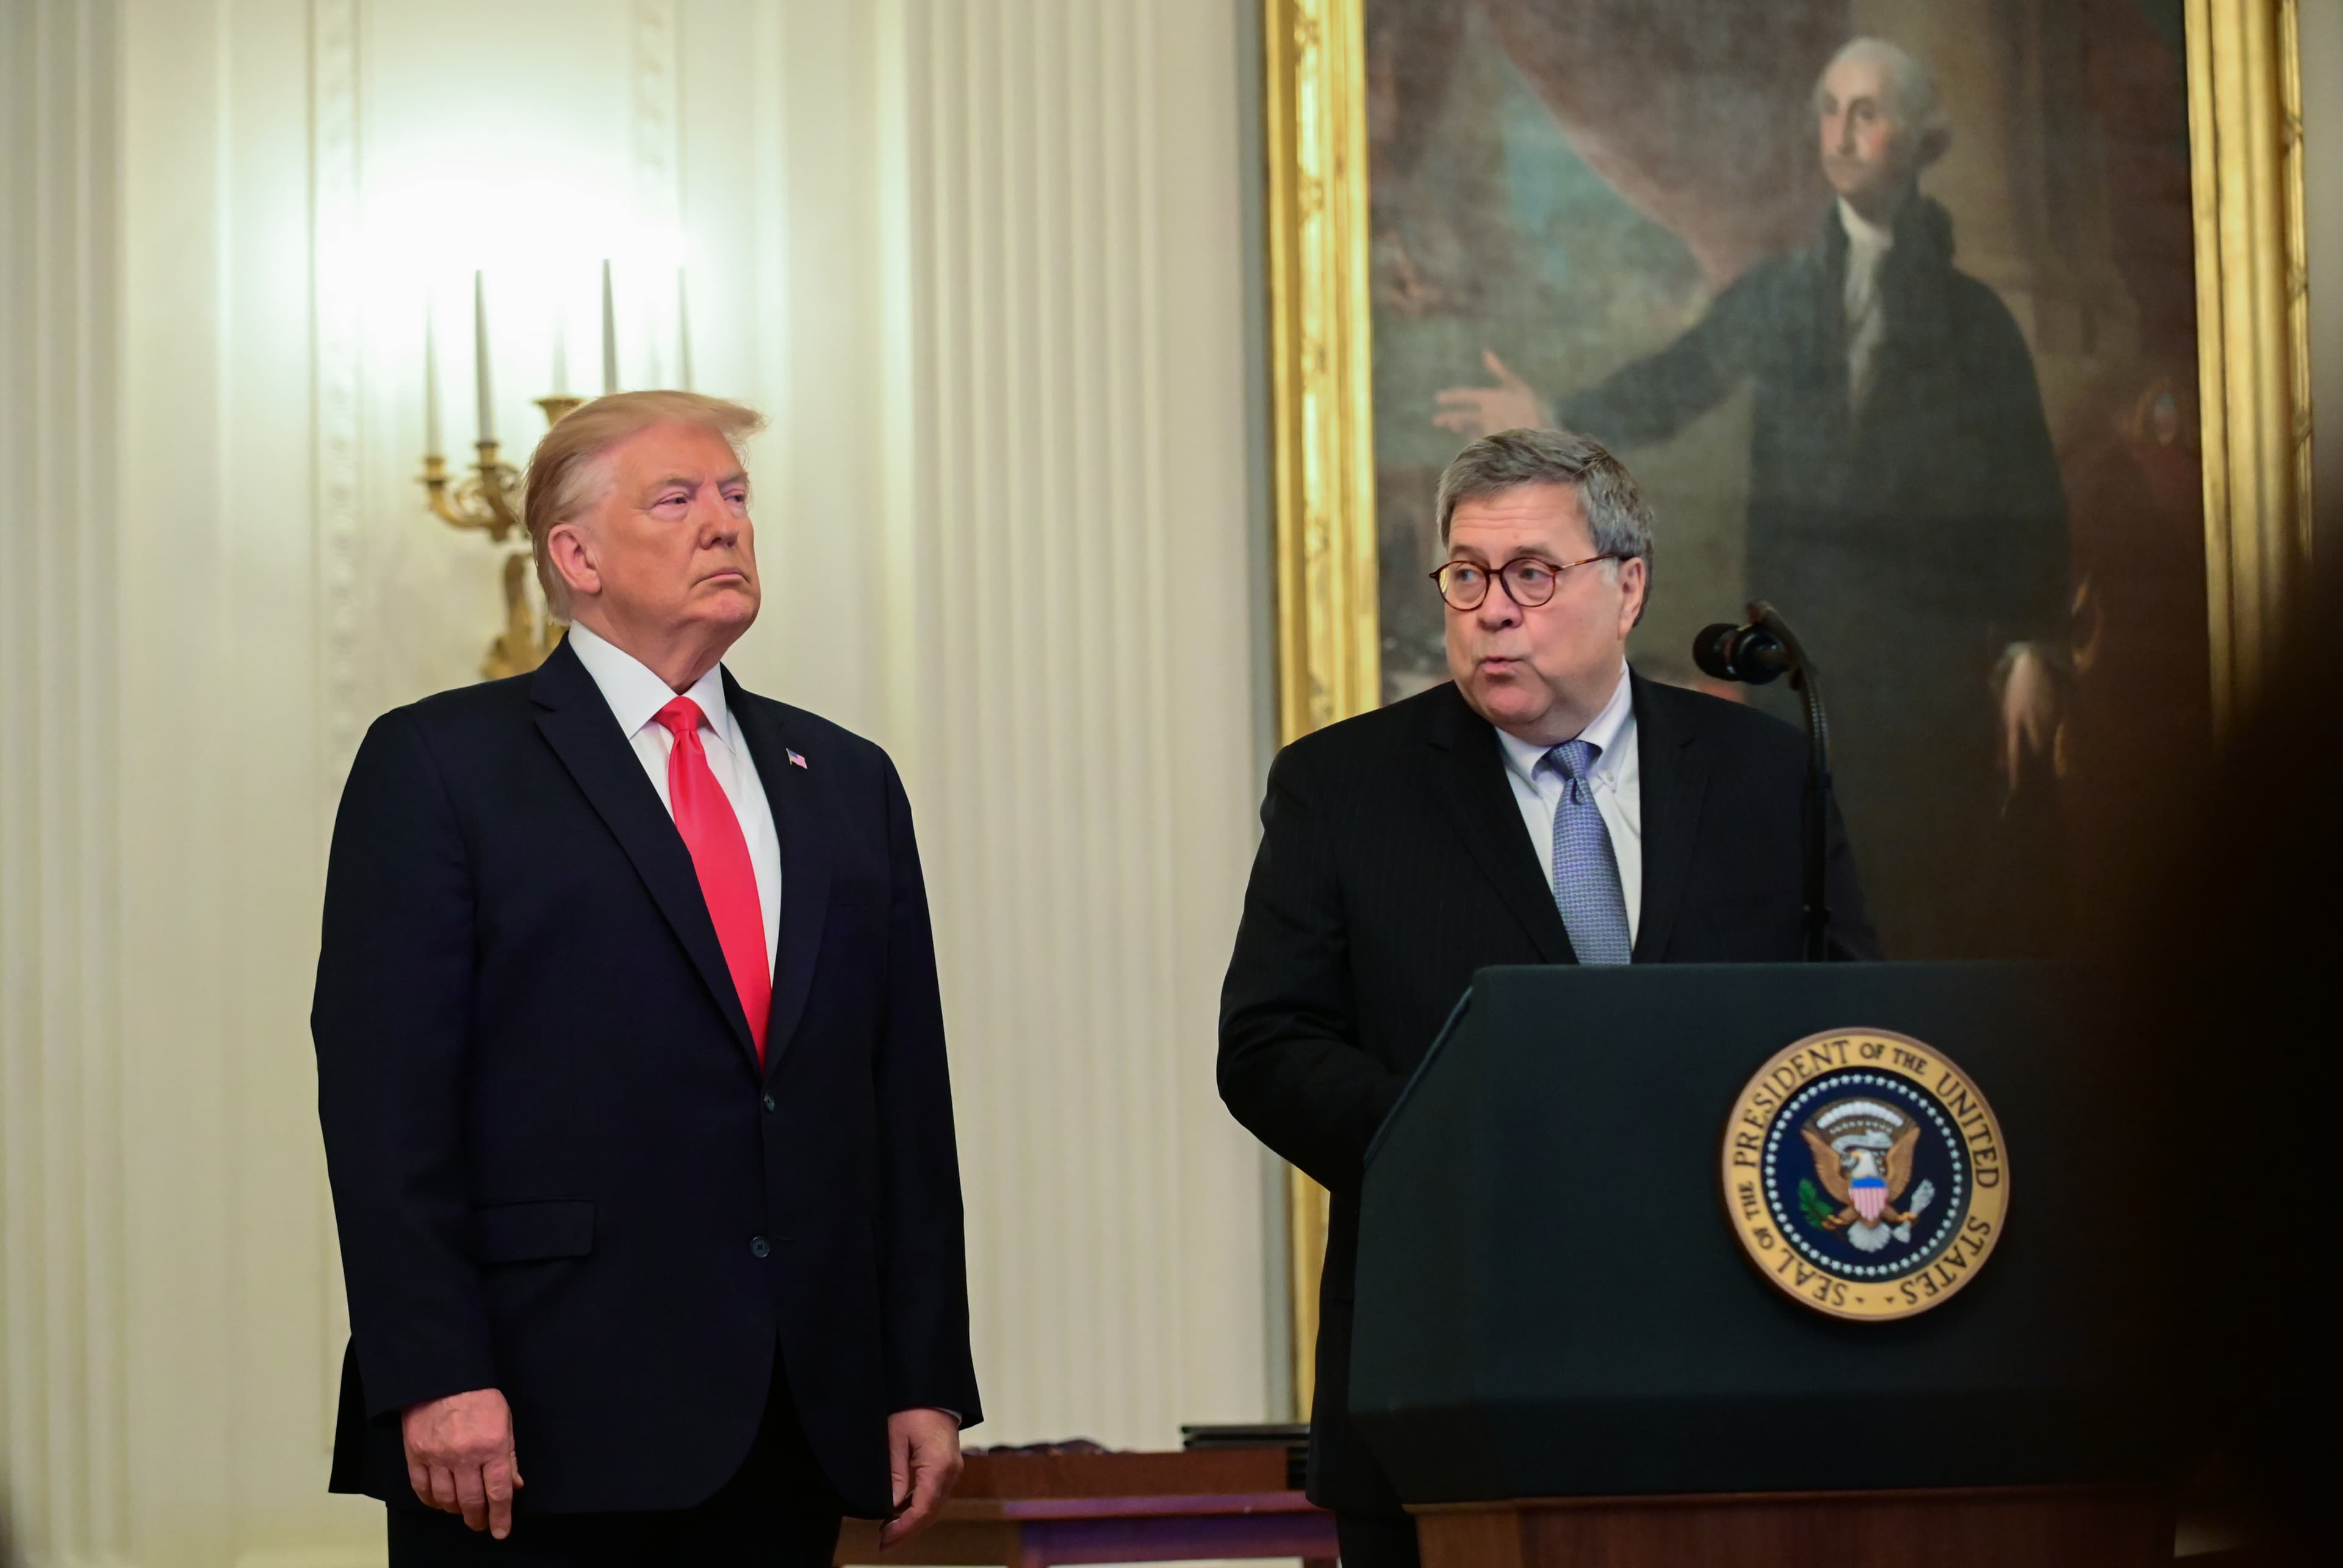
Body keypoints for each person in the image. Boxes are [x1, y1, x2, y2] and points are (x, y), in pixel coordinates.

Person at [314, 390, 980, 1565]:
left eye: (735, 495)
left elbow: (903, 1103)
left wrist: (921, 1371)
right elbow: (385, 1105)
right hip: (533, 1416)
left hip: (793, 1417)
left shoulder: (845, 779)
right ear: (575, 557)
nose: (724, 523)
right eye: (676, 500)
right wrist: (434, 1368)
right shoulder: (442, 763)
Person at [1218, 428, 1876, 1568]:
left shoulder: (1764, 776)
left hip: (1735, 1366)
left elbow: (1851, 1024)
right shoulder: (1344, 787)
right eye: (1467, 575)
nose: (1492, 611)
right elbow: (1269, 1044)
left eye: (1531, 574)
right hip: (1451, 1371)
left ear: (1629, 587)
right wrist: (1464, 1149)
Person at [1436, 37, 2068, 960]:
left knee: (1913, 909)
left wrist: (2031, 644)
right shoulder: (1781, 294)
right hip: (1799, 664)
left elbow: (2026, 492)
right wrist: (1555, 417)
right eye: (1830, 111)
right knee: (1790, 907)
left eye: (1866, 113)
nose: (1841, 134)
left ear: (1916, 138)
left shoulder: (1975, 320)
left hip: (1924, 679)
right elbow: (1681, 377)